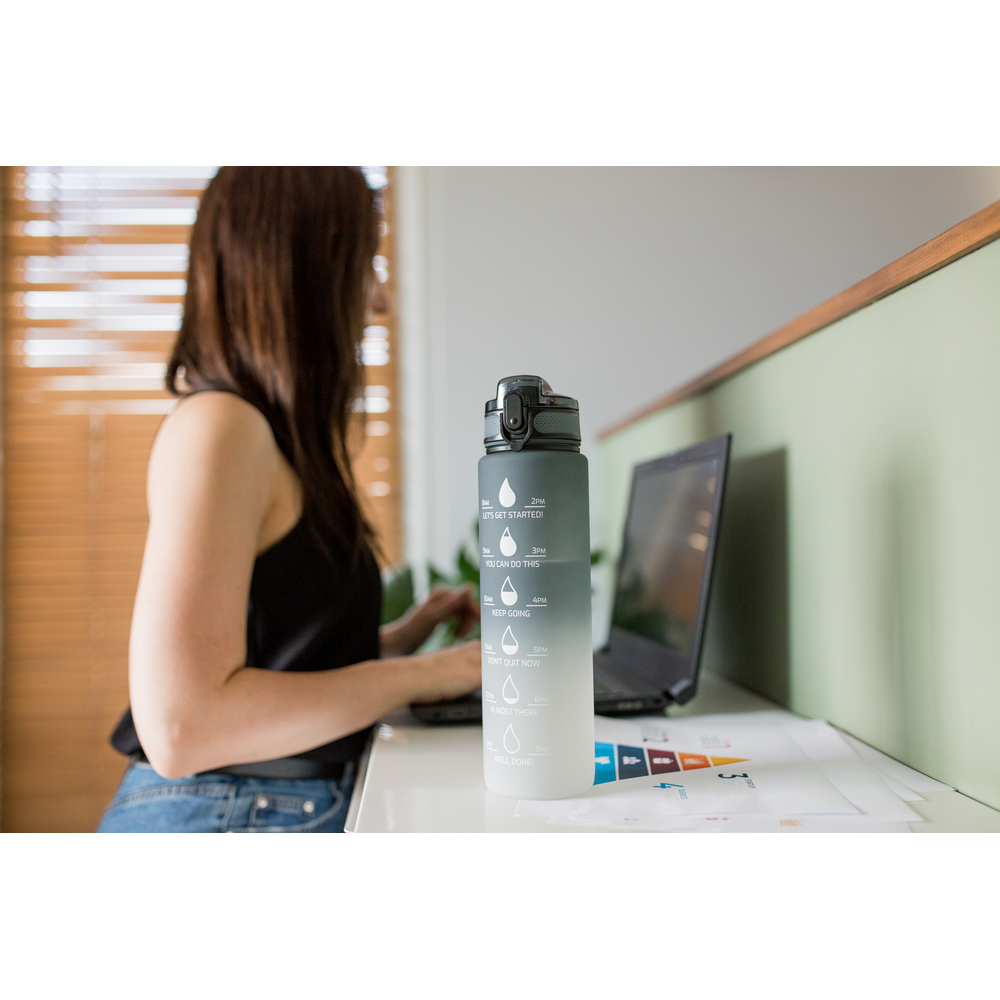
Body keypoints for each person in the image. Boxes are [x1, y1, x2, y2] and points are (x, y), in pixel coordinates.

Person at [97, 167, 481, 832]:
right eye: (365, 266)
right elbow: (184, 725)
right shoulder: (219, 427)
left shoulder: (268, 438)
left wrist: (401, 638)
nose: (380, 301)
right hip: (224, 813)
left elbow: (276, 662)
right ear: (304, 275)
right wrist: (429, 674)